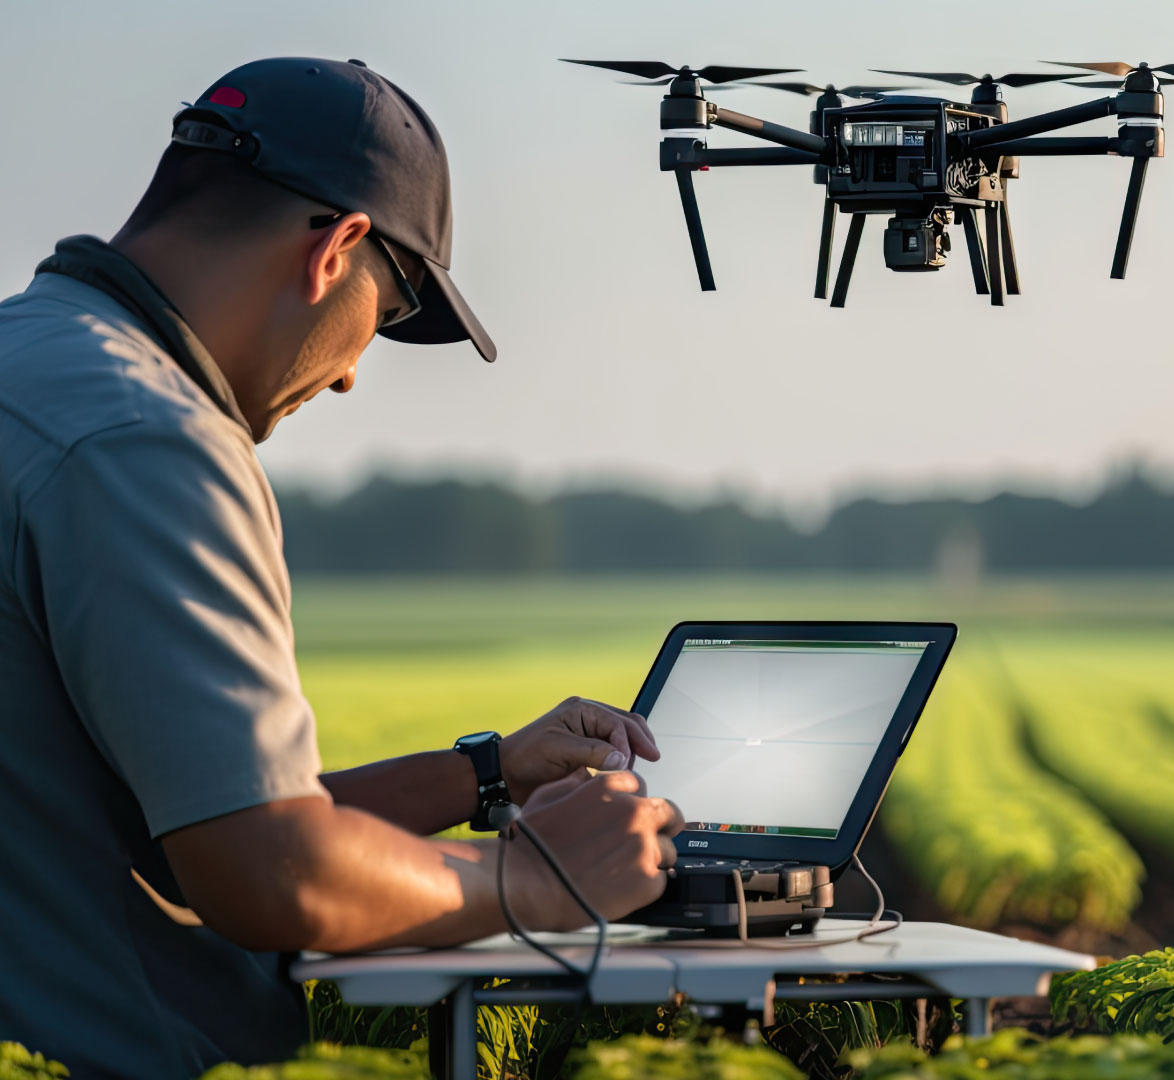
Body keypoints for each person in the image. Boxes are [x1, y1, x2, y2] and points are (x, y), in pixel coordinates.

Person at [0, 58, 682, 1077]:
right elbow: (264, 870)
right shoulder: (150, 438)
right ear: (337, 248)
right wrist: (528, 885)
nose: (357, 370)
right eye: (393, 311)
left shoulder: (33, 368)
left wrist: (481, 774)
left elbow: (192, 817)